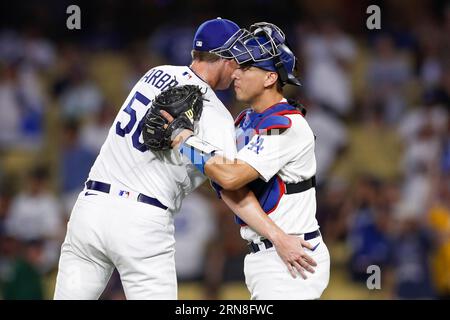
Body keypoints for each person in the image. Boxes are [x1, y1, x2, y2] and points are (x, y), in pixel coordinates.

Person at [53, 18, 316, 300]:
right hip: (141, 218)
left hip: (89, 208)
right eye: (238, 58)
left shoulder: (154, 74)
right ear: (226, 58)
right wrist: (278, 237)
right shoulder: (214, 113)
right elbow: (230, 182)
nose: (239, 67)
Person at [164, 22, 330, 299]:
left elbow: (230, 176)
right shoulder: (244, 121)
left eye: (246, 67)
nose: (235, 73)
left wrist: (184, 139)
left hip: (293, 256)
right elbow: (223, 184)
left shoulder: (286, 125)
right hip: (265, 256)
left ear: (269, 78)